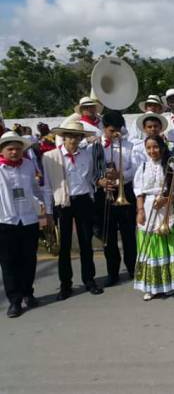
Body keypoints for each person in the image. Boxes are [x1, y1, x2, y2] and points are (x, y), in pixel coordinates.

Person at [42, 120, 103, 299]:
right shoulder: (50, 157)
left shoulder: (86, 155)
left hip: (83, 200)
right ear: (63, 137)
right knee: (65, 246)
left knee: (86, 243)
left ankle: (89, 280)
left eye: (77, 137)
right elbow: (47, 186)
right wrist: (48, 211)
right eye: (70, 136)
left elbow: (91, 177)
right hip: (63, 204)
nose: (73, 140)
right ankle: (65, 285)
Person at [133, 135, 174, 300]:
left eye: (155, 147)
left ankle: (170, 282)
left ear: (162, 148)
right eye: (148, 148)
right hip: (149, 209)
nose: (152, 151)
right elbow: (139, 191)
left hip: (168, 209)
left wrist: (167, 199)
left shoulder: (171, 165)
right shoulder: (142, 167)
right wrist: (140, 211)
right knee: (149, 248)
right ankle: (151, 285)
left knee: (169, 245)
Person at [0, 131, 51, 318]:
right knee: (8, 263)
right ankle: (14, 300)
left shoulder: (29, 165)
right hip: (6, 220)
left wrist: (41, 205)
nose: (14, 152)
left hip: (28, 219)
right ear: (2, 151)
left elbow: (35, 188)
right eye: (10, 149)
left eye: (17, 149)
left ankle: (28, 293)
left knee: (29, 259)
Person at [95, 111, 137, 286]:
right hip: (104, 194)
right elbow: (91, 171)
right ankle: (113, 272)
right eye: (112, 130)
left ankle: (133, 267)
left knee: (129, 234)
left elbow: (134, 170)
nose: (115, 133)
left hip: (124, 191)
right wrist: (101, 181)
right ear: (104, 129)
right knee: (109, 236)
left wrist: (120, 175)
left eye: (118, 129)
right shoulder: (96, 147)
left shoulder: (129, 146)